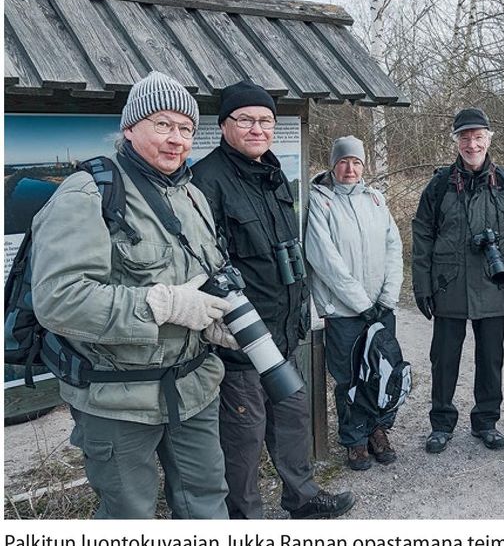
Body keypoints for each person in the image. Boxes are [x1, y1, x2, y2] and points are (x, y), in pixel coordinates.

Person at [30, 73, 232, 519]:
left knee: (207, 501)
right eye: (162, 124)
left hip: (194, 388)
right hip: (117, 399)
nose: (176, 139)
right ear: (129, 128)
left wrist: (215, 321)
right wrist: (159, 306)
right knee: (130, 517)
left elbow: (204, 277)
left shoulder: (192, 196)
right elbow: (59, 299)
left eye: (185, 129)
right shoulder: (87, 194)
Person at [191, 82, 354, 519]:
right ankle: (246, 519)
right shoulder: (206, 181)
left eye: (265, 120)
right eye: (245, 119)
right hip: (242, 335)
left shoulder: (273, 173)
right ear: (224, 125)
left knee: (293, 414)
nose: (257, 128)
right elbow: (204, 265)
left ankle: (301, 497)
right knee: (243, 433)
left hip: (283, 329)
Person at [411, 107, 504, 454]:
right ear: (456, 142)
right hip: (448, 283)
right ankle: (441, 423)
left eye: (478, 136)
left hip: (495, 283)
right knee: (444, 357)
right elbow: (422, 236)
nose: (472, 143)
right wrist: (423, 284)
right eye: (465, 137)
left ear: (488, 139)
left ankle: (486, 421)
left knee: (491, 357)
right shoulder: (439, 186)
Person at [305, 136, 403, 471]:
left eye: (357, 162)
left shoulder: (375, 199)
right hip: (344, 311)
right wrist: (360, 302)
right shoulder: (320, 201)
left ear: (364, 166)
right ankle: (355, 439)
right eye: (344, 161)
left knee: (380, 371)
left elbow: (394, 248)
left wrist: (387, 297)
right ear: (333, 164)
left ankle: (378, 430)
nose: (350, 168)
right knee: (348, 377)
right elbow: (324, 259)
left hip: (379, 308)